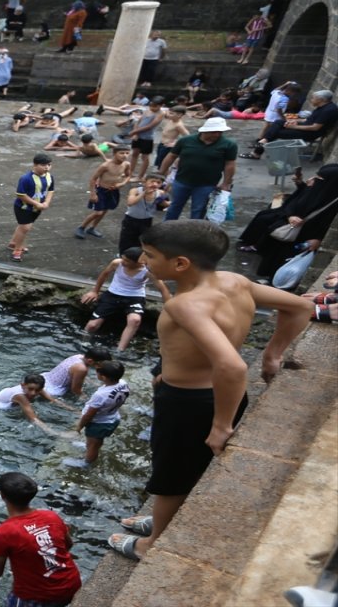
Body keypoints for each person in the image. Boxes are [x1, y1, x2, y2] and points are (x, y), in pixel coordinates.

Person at [111, 220, 311, 560]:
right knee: (189, 465)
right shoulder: (236, 282)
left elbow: (231, 365)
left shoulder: (185, 304)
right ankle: (163, 518)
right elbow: (301, 307)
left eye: (149, 255)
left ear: (180, 264)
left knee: (171, 474)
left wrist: (221, 425)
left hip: (189, 404)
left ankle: (151, 543)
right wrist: (272, 354)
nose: (144, 262)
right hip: (217, 395)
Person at [0, 472, 81, 605]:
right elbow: (68, 545)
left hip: (38, 597)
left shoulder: (3, 532)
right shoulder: (51, 516)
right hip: (72, 584)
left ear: (2, 496)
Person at [241, 164, 338, 279]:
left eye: (320, 179)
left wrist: (319, 239)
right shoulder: (318, 190)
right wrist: (291, 215)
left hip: (305, 235)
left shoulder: (332, 201)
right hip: (291, 225)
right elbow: (297, 201)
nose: (314, 180)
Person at [81, 248, 170, 350]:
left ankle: (120, 350)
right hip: (113, 294)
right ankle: (83, 343)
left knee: (135, 320)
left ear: (139, 262)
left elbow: (162, 288)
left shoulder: (147, 271)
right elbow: (104, 274)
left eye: (127, 261)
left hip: (134, 297)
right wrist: (95, 291)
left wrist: (168, 308)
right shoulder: (117, 263)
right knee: (92, 325)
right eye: (123, 258)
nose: (123, 262)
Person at [159, 117, 236, 221]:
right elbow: (171, 156)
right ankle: (167, 228)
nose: (217, 135)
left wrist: (226, 183)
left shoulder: (229, 145)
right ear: (205, 130)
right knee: (174, 206)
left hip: (207, 184)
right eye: (214, 132)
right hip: (182, 180)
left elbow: (229, 165)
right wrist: (161, 173)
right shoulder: (186, 140)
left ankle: (196, 232)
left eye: (220, 132)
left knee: (198, 210)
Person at [69, 361, 130, 466]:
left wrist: (79, 426)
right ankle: (89, 446)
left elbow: (89, 414)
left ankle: (86, 463)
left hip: (99, 424)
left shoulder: (101, 395)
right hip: (113, 417)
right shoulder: (123, 383)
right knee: (95, 442)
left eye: (98, 373)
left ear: (104, 377)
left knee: (95, 445)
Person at [75, 147, 132, 240]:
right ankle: (81, 227)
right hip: (101, 191)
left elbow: (128, 175)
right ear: (115, 153)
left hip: (113, 191)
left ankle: (92, 228)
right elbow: (93, 179)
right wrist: (93, 193)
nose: (125, 155)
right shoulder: (105, 166)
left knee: (105, 211)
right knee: (98, 212)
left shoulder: (126, 164)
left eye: (127, 153)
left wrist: (122, 183)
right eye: (122, 153)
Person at [8, 154, 56, 262]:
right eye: (43, 165)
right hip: (23, 207)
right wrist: (36, 203)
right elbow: (20, 194)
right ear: (35, 165)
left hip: (38, 208)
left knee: (22, 227)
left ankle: (13, 242)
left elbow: (50, 190)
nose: (47, 167)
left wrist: (47, 202)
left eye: (49, 165)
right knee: (25, 228)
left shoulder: (49, 177)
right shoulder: (26, 178)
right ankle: (17, 250)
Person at [0, 373, 76, 430]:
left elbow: (53, 400)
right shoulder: (20, 396)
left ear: (41, 388)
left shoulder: (37, 388)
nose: (33, 393)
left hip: (6, 393)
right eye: (30, 389)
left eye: (37, 390)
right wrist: (55, 432)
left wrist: (75, 411)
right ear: (23, 385)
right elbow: (33, 418)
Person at [119, 173, 170, 253]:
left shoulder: (160, 193)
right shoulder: (135, 190)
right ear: (144, 182)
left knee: (142, 239)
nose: (155, 184)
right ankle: (123, 254)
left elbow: (164, 203)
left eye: (158, 182)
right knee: (126, 239)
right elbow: (130, 202)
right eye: (152, 181)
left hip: (146, 220)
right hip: (131, 219)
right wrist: (144, 193)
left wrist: (168, 202)